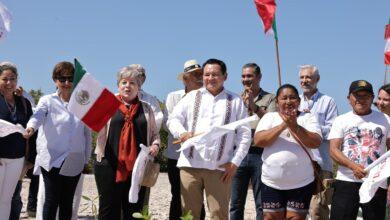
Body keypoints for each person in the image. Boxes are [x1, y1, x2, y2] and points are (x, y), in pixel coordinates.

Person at [167, 58, 251, 220]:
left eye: (215, 74)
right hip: (190, 165)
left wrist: (235, 162)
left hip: (220, 168)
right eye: (207, 74)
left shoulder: (235, 101)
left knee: (219, 214)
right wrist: (182, 133)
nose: (210, 78)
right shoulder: (192, 97)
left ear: (225, 76)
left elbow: (244, 134)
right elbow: (173, 119)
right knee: (189, 214)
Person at [24, 61, 92, 220]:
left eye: (70, 78)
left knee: (67, 202)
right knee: (51, 200)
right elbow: (38, 116)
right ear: (55, 80)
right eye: (62, 79)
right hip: (52, 158)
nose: (66, 83)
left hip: (74, 159)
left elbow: (87, 134)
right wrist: (30, 128)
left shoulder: (83, 101)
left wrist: (85, 159)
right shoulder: (47, 100)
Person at [94, 65, 160, 220]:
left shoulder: (147, 109)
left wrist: (155, 145)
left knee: (135, 210)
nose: (127, 86)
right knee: (108, 210)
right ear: (118, 86)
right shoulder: (107, 105)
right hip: (108, 164)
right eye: (124, 82)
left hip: (138, 167)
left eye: (132, 83)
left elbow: (155, 134)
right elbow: (95, 126)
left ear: (139, 87)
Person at [254, 84, 322, 220]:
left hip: (301, 182)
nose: (288, 101)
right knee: (270, 217)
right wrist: (283, 125)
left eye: (292, 98)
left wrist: (294, 126)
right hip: (271, 183)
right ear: (277, 102)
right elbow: (259, 141)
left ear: (299, 101)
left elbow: (315, 142)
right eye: (284, 98)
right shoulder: (269, 117)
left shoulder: (308, 118)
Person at [329, 80, 390, 220]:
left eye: (366, 96)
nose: (361, 100)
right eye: (357, 95)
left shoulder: (385, 119)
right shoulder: (341, 120)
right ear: (349, 98)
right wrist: (353, 166)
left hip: (375, 184)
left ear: (372, 98)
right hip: (346, 182)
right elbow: (333, 150)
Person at [230, 63, 276, 220]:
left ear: (259, 77)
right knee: (235, 203)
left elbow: (272, 121)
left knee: (262, 203)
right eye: (243, 76)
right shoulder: (235, 98)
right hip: (238, 155)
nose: (245, 79)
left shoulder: (270, 98)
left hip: (260, 154)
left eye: (249, 76)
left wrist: (253, 106)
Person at [164, 59, 205, 220]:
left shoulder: (208, 98)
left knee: (197, 195)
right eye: (195, 74)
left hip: (199, 156)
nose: (199, 77)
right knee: (176, 194)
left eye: (200, 74)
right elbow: (168, 122)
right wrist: (183, 134)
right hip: (176, 155)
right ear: (185, 79)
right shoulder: (173, 97)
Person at [298, 65, 338, 220]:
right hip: (298, 162)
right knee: (298, 208)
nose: (304, 81)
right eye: (302, 77)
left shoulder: (328, 102)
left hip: (321, 163)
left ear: (317, 79)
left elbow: (333, 130)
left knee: (318, 210)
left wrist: (310, 127)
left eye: (308, 77)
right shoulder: (294, 100)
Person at [0, 62, 35, 219]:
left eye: (12, 79)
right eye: (4, 79)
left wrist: (30, 159)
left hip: (17, 159)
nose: (9, 83)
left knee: (6, 200)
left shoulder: (24, 103)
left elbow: (32, 130)